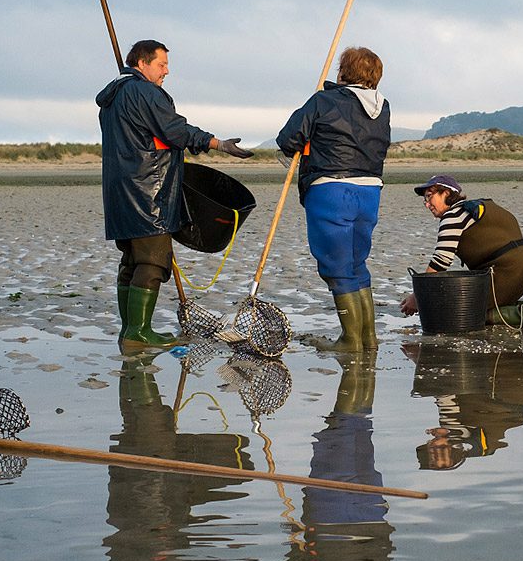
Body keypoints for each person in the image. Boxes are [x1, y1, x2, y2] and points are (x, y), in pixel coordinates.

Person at [97, 39, 253, 349]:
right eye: (161, 64)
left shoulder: (113, 96)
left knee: (131, 260)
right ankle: (137, 333)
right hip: (147, 191)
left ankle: (130, 331)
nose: (167, 71)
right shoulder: (144, 92)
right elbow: (175, 131)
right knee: (153, 261)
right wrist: (217, 143)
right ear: (141, 63)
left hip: (119, 188)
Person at [276, 47, 390, 352]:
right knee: (356, 264)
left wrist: (315, 109)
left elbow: (287, 139)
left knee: (336, 267)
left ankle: (351, 339)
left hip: (332, 190)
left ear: (343, 72)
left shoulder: (324, 101)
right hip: (369, 191)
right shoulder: (383, 107)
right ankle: (369, 338)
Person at [398, 175, 523, 326]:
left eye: (429, 196)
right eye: (424, 200)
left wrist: (418, 297)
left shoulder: (453, 216)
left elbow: (441, 260)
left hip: (507, 271)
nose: (427, 204)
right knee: (490, 303)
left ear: (446, 193)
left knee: (462, 315)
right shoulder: (474, 207)